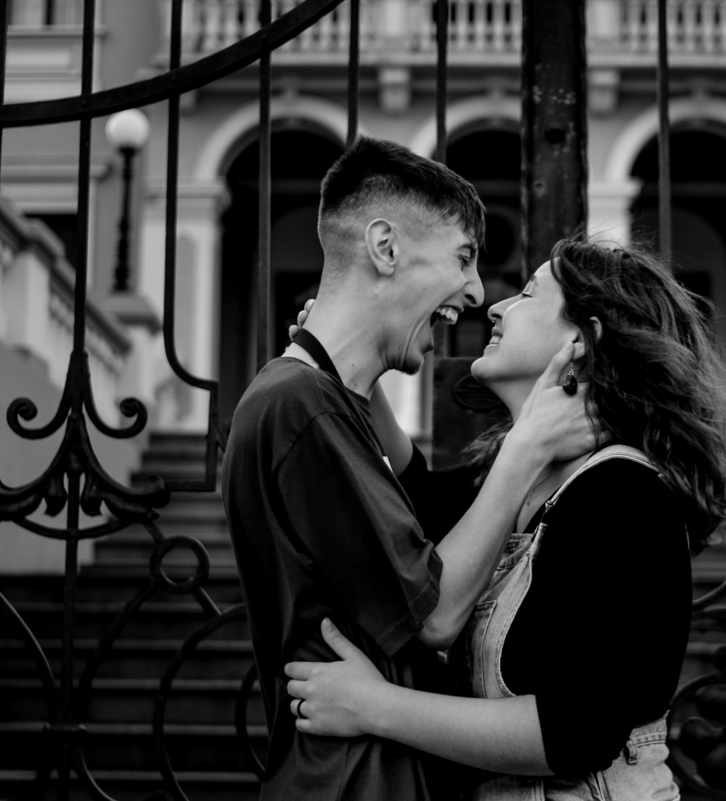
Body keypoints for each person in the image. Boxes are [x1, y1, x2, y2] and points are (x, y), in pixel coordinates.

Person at [282, 238, 726, 800]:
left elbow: (574, 733)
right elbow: (419, 502)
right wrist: (350, 360)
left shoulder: (625, 497)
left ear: (581, 341)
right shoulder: (521, 480)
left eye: (529, 294)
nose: (498, 306)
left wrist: (374, 707)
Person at [222, 136, 600, 801]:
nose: (479, 291)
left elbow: (418, 492)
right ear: (386, 248)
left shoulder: (315, 398)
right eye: (463, 257)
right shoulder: (300, 405)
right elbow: (435, 615)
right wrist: (524, 449)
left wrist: (356, 376)